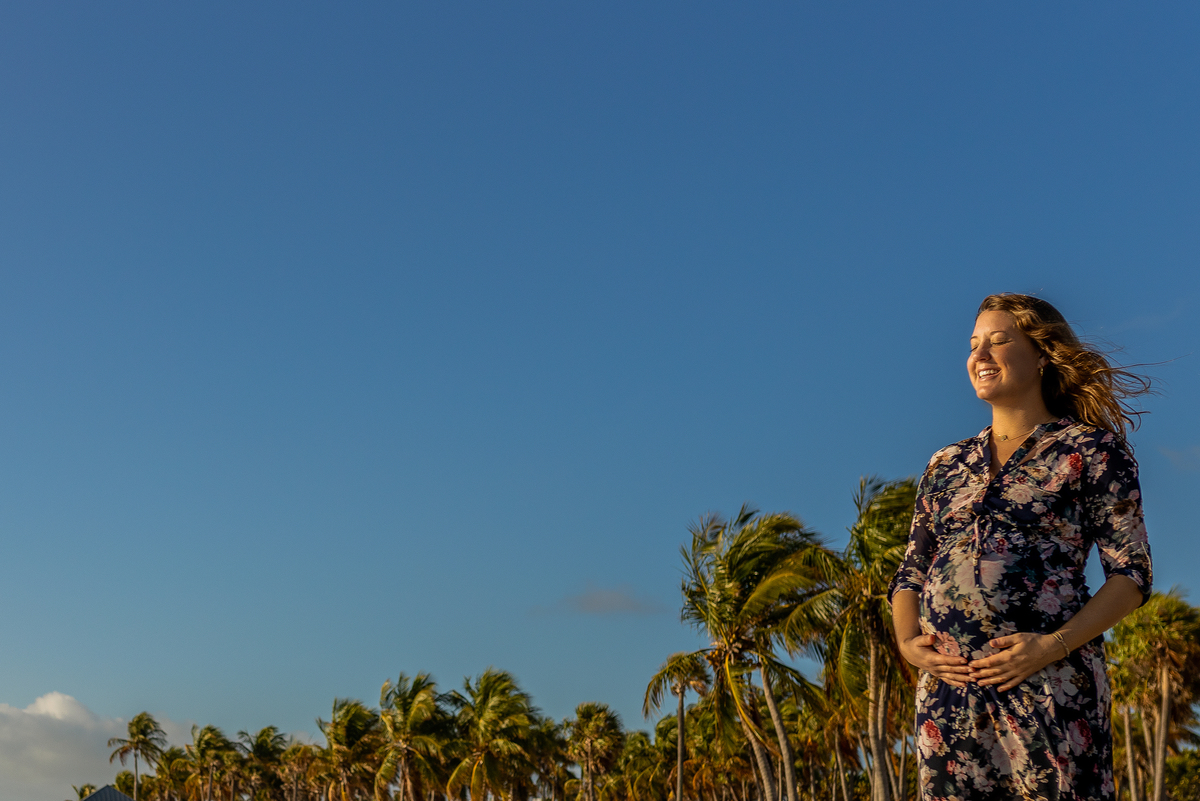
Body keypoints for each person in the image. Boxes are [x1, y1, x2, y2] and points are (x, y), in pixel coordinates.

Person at [888, 293, 1153, 801]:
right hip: (949, 696)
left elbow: (1131, 574)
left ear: (1042, 353)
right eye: (973, 344)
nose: (980, 355)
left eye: (999, 341)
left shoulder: (1091, 450)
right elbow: (911, 572)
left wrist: (1051, 647)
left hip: (1050, 685)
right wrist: (907, 643)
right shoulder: (945, 463)